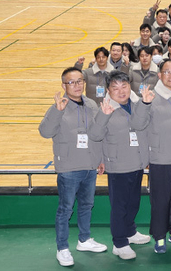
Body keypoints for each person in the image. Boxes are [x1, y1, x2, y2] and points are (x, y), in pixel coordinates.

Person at [39, 67, 107, 267]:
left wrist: (100, 158)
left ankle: (84, 240)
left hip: (90, 166)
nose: (77, 85)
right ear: (64, 85)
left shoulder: (92, 104)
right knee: (65, 209)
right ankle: (62, 248)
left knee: (87, 205)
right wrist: (57, 111)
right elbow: (45, 131)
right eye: (72, 82)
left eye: (80, 81)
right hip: (69, 168)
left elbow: (97, 134)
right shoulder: (59, 107)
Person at [130, 59, 171, 254]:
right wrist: (144, 103)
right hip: (160, 159)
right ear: (159, 75)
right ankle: (159, 236)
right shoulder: (150, 96)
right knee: (160, 200)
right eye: (166, 71)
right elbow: (137, 124)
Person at [89, 71, 151, 260]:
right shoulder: (105, 108)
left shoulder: (136, 104)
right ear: (108, 90)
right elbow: (95, 136)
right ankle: (119, 243)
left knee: (133, 202)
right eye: (115, 88)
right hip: (118, 165)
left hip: (137, 162)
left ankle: (130, 232)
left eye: (124, 86)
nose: (121, 91)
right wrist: (104, 116)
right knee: (119, 206)